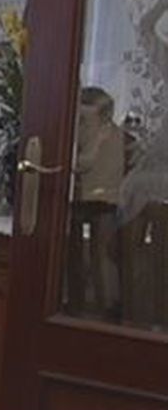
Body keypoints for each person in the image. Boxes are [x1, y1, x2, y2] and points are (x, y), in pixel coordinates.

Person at [72, 87, 125, 317]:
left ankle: (108, 309)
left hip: (105, 201)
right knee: (79, 252)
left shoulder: (112, 136)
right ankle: (78, 304)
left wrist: (95, 144)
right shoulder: (87, 131)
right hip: (85, 199)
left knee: (101, 254)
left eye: (84, 119)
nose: (80, 125)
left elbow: (81, 164)